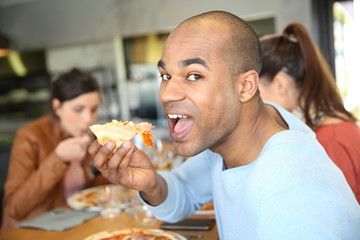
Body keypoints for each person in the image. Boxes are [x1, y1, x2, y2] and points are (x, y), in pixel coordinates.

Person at [89, 11, 360, 239]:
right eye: (166, 75)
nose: (167, 93)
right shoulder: (245, 130)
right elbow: (183, 193)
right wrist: (150, 185)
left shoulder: (293, 198)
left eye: (194, 75)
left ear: (245, 86)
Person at [258, 22, 360, 203]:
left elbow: (331, 216)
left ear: (281, 85)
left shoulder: (328, 140)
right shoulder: (331, 125)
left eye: (256, 90)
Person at [1, 68, 108, 230]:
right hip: (33, 232)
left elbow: (82, 192)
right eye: (78, 110)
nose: (88, 119)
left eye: (94, 109)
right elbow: (14, 208)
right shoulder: (29, 136)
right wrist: (58, 159)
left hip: (75, 225)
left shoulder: (85, 134)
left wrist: (112, 171)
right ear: (57, 107)